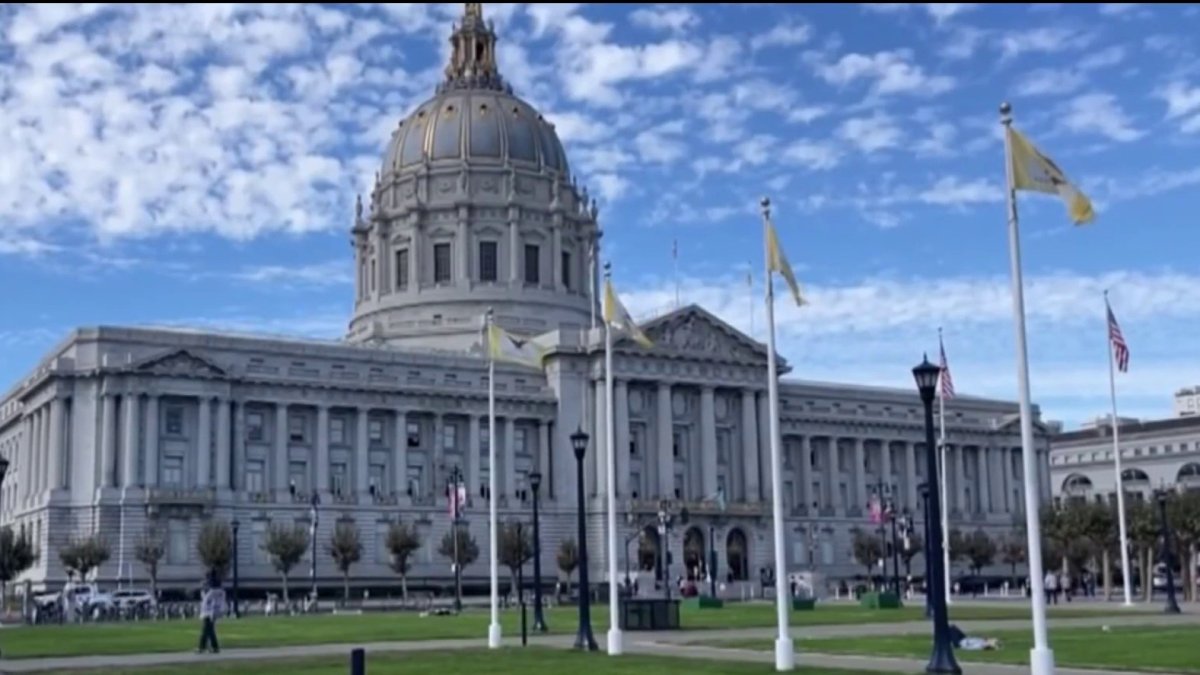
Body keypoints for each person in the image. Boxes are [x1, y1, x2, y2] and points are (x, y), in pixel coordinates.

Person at [197, 573, 226, 654]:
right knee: (210, 631)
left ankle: (202, 647)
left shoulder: (213, 592)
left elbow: (213, 603)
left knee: (206, 630)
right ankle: (214, 647)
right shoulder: (212, 591)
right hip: (208, 612)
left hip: (209, 613)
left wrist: (212, 613)